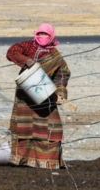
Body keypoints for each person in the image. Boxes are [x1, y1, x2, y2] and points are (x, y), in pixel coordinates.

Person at [6, 23, 71, 169]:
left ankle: (48, 161)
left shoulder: (55, 55)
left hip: (45, 96)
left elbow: (62, 74)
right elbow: (12, 51)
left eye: (46, 34)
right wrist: (26, 61)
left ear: (52, 36)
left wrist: (60, 92)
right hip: (25, 97)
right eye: (40, 34)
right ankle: (22, 160)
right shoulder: (28, 46)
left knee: (51, 128)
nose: (42, 37)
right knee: (24, 128)